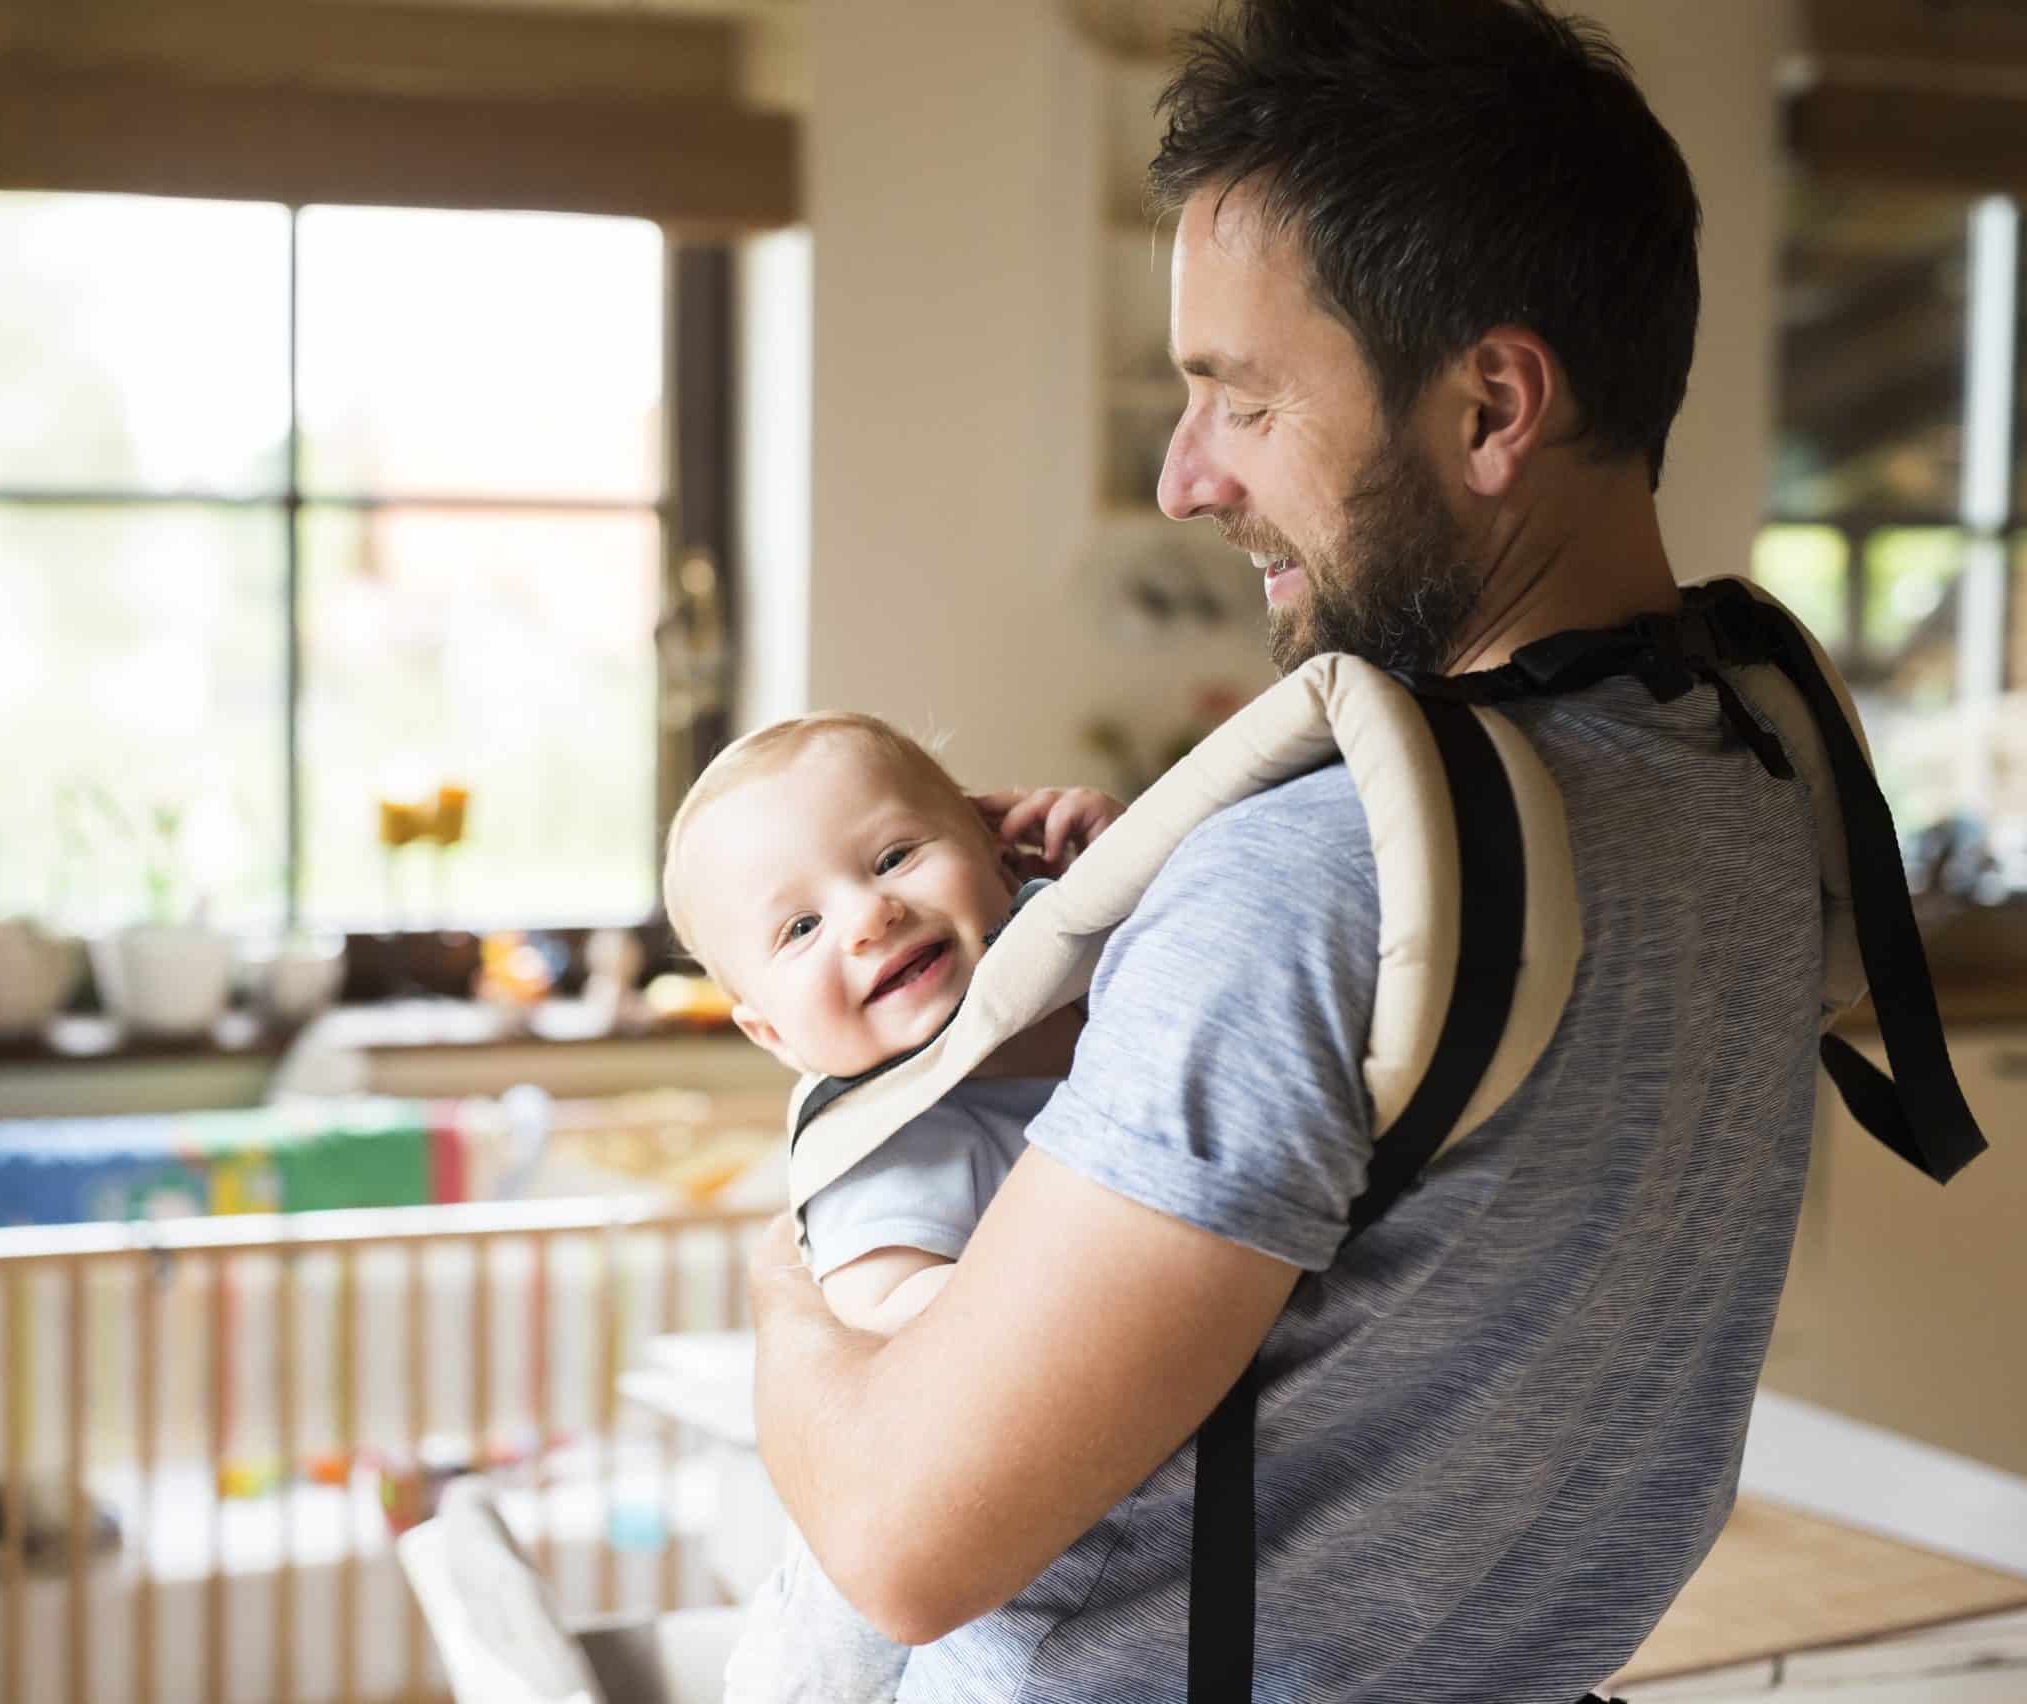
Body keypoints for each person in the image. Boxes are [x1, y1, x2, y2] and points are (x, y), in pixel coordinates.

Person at [745, 3, 1828, 1699]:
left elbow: (897, 1533)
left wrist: (796, 1234)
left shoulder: (1316, 880)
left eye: (1236, 401)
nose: (1184, 478)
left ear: (1491, 405)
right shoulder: (1763, 788)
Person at [659, 711, 1120, 1703]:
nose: (868, 917)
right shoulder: (887, 1135)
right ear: (770, 1031)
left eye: (895, 856)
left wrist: (1119, 848)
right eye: (798, 929)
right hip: (906, 1505)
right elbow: (884, 1308)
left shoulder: (1083, 941)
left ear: (995, 848)